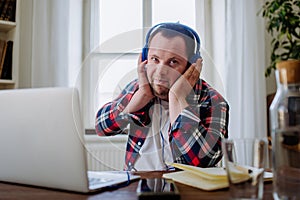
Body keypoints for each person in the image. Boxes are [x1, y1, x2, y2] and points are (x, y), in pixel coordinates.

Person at [95, 22, 229, 171]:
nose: (160, 71)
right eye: (155, 59)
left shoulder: (214, 102)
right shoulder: (138, 88)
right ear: (145, 58)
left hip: (185, 191)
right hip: (137, 186)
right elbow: (101, 127)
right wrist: (138, 98)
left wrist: (177, 98)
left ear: (191, 66)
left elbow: (204, 160)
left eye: (173, 62)